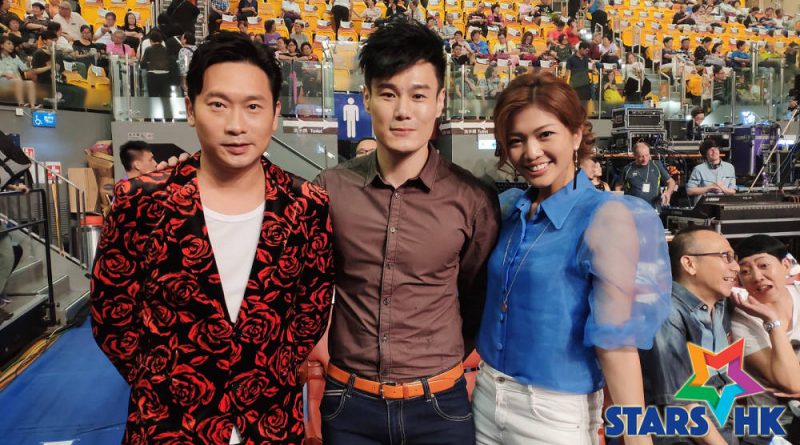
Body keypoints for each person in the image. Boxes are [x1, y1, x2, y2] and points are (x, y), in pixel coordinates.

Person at [91, 31, 334, 444]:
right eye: (218, 105)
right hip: (168, 426)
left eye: (253, 107)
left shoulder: (307, 205)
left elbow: (311, 309)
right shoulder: (141, 202)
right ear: (191, 109)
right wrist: (162, 379)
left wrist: (266, 371)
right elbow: (112, 316)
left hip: (270, 423)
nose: (236, 125)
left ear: (274, 114)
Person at [315, 21, 500, 444]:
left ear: (439, 102)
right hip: (349, 405)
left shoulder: (472, 199)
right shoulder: (330, 189)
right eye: (388, 94)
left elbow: (475, 298)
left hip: (439, 405)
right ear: (366, 98)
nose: (403, 111)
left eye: (418, 95)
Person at [475, 72, 671, 445]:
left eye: (545, 134)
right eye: (516, 140)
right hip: (486, 397)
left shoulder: (607, 217)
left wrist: (637, 438)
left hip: (553, 415)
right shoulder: (509, 209)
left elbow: (618, 344)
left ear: (577, 135)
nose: (531, 152)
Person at [640, 227, 740, 445]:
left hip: (725, 430)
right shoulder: (666, 314)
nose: (736, 267)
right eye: (726, 256)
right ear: (689, 264)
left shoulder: (720, 306)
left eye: (734, 258)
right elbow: (683, 407)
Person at [732, 235, 800, 444]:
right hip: (772, 428)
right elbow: (792, 384)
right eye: (745, 271)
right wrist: (771, 321)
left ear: (786, 266)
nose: (757, 277)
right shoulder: (741, 320)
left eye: (764, 265)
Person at [615, 141, 677, 210]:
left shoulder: (656, 165)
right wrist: (620, 203)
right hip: (634, 209)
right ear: (634, 155)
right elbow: (618, 186)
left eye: (647, 155)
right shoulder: (628, 169)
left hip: (654, 208)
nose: (645, 159)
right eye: (641, 156)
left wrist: (668, 193)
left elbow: (671, 182)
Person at [686, 138, 736, 205]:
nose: (714, 151)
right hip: (704, 206)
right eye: (710, 150)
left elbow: (733, 191)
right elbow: (690, 191)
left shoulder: (729, 167)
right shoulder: (698, 169)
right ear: (705, 154)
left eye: (715, 148)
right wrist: (709, 188)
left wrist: (723, 188)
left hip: (723, 205)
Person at [0, 36, 37, 107]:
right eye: (9, 43)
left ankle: (32, 107)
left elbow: (24, 68)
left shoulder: (15, 57)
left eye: (12, 44)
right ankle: (21, 105)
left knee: (30, 83)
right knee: (18, 81)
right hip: (2, 80)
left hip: (15, 80)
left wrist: (29, 62)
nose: (12, 46)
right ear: (1, 45)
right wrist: (4, 73)